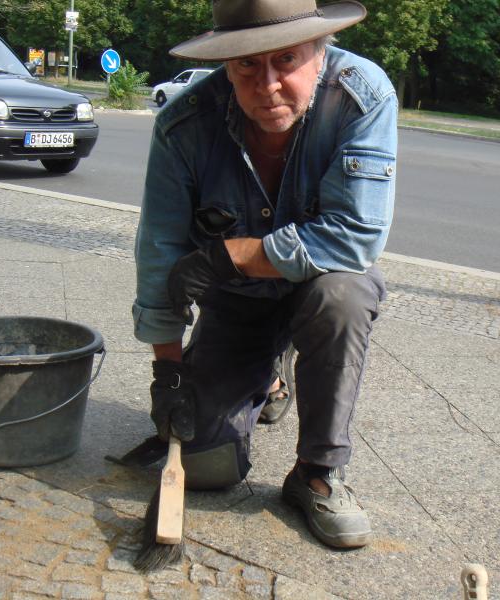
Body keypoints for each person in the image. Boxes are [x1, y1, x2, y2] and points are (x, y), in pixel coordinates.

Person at [132, 0, 397, 549]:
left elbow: (355, 235)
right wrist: (168, 372)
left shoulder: (362, 97)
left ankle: (317, 473)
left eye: (286, 59)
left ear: (319, 51)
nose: (269, 84)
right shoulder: (183, 125)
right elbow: (159, 252)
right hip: (237, 302)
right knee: (208, 465)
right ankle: (270, 374)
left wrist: (233, 253)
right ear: (225, 61)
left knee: (343, 294)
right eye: (247, 65)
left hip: (318, 288)